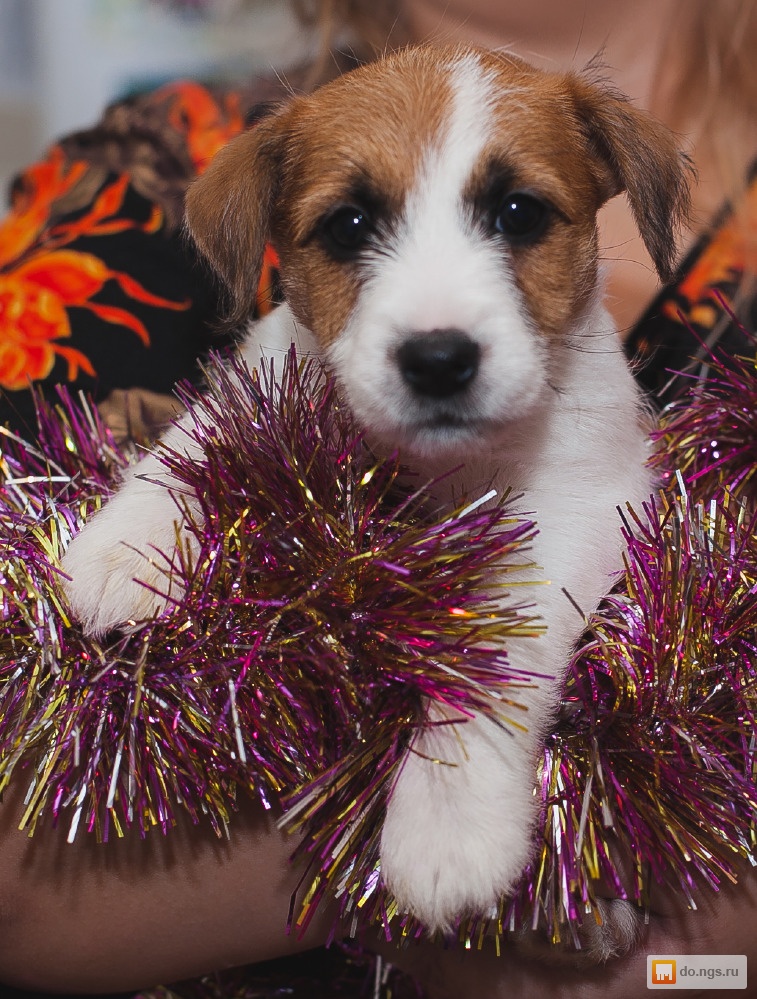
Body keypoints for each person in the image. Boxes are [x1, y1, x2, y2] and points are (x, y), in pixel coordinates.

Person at [1, 1, 756, 995]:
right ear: (263, 246)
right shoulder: (145, 178)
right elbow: (29, 898)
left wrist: (475, 732)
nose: (436, 326)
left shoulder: (588, 390)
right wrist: (159, 508)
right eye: (350, 228)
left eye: (518, 215)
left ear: (619, 202)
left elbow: (590, 516)